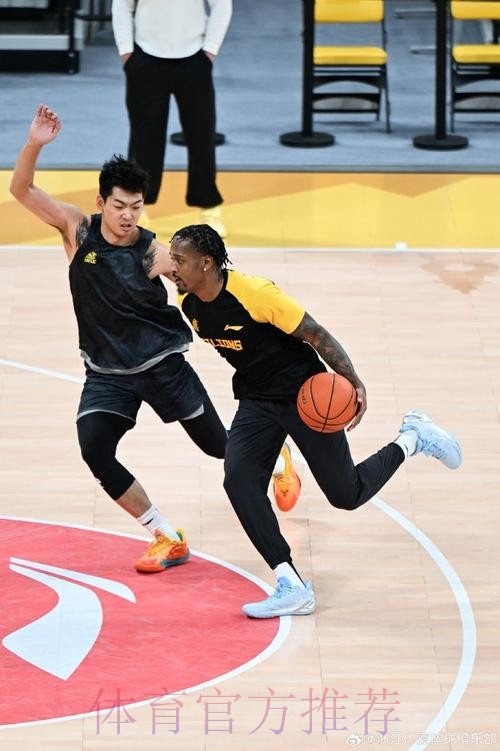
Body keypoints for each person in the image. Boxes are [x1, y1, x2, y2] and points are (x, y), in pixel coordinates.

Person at [9, 105, 299, 575]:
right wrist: (35, 143)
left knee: (220, 449)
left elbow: (208, 282)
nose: (128, 216)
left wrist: (254, 320)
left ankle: (280, 455)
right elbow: (20, 190)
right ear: (101, 202)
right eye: (119, 206)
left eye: (136, 207)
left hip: (164, 367)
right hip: (107, 374)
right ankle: (166, 535)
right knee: (94, 449)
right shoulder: (77, 230)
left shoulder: (153, 253)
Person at [168, 224, 462, 619]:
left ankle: (413, 437)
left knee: (346, 494)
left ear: (206, 264)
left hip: (305, 397)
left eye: (179, 260)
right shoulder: (188, 300)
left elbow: (316, 334)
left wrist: (353, 381)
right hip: (256, 401)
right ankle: (290, 583)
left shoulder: (255, 293)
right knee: (238, 481)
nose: (172, 266)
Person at [111, 0, 232, 238]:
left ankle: (209, 207)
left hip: (195, 58)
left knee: (201, 136)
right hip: (145, 58)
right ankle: (136, 209)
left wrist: (210, 48)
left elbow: (222, 4)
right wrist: (126, 50)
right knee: (143, 140)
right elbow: (122, 5)